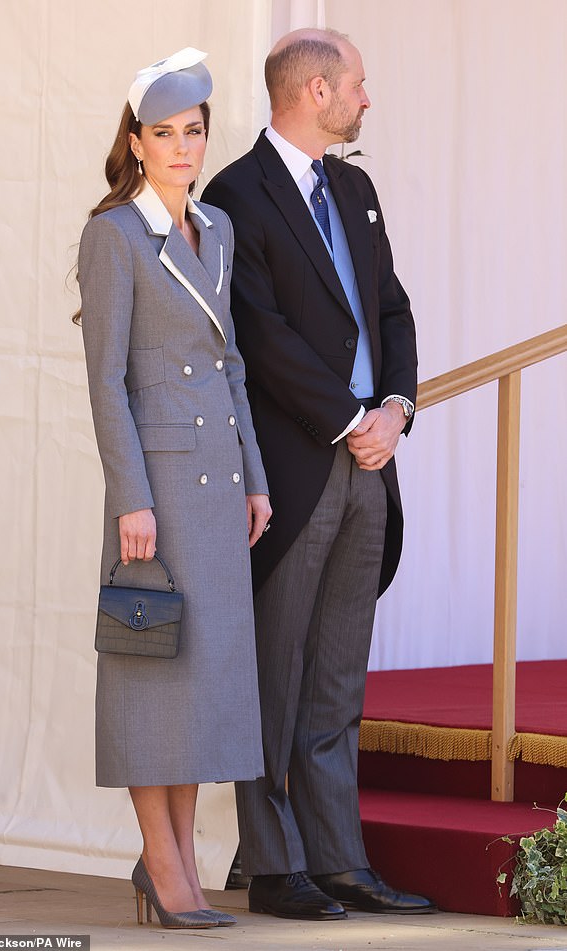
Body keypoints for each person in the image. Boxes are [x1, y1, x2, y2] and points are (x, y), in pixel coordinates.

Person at [202, 29, 435, 920]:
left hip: (369, 467)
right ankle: (272, 864)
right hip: (297, 470)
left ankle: (340, 859)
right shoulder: (234, 196)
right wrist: (348, 419)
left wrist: (396, 410)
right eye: (358, 86)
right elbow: (260, 335)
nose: (366, 100)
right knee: (275, 670)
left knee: (340, 675)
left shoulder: (358, 187)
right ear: (314, 89)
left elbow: (392, 311)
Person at [77, 48, 271, 930]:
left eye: (194, 132)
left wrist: (257, 481)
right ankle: (163, 865)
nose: (185, 148)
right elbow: (106, 379)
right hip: (155, 492)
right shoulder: (114, 235)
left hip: (218, 489)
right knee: (151, 678)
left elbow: (231, 365)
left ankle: (180, 866)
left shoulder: (217, 229)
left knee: (196, 684)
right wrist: (131, 498)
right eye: (167, 134)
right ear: (137, 141)